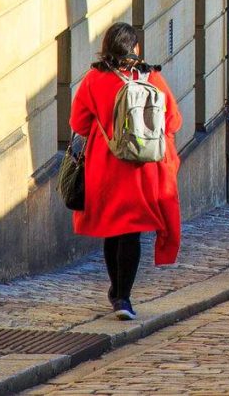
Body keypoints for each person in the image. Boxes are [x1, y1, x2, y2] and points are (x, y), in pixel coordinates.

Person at [68, 22, 183, 320]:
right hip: (143, 169)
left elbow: (78, 124)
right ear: (135, 48)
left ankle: (117, 293)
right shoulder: (151, 76)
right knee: (131, 232)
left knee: (113, 231)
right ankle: (124, 298)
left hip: (105, 167)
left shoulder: (94, 79)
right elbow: (173, 121)